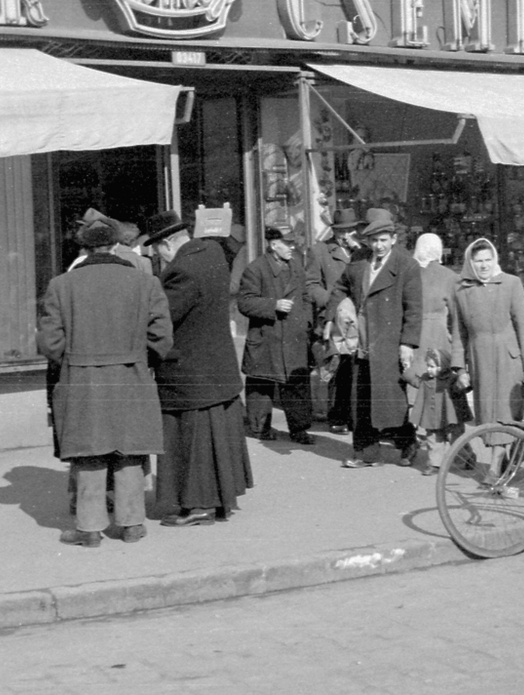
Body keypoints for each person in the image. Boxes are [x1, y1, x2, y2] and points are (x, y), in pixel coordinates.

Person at [38, 214, 174, 547]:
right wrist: (141, 361)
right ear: (115, 245)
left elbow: (50, 343)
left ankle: (89, 529)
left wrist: (74, 362)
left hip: (82, 379)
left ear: (83, 249)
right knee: (129, 450)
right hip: (131, 377)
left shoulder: (61, 285)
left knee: (89, 453)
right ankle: (131, 525)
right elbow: (162, 337)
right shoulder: (146, 283)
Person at [147, 209, 253, 527]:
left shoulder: (183, 270)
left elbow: (163, 317)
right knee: (215, 439)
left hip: (189, 371)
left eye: (157, 250)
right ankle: (219, 500)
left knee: (189, 441)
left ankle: (198, 506)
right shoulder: (212, 253)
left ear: (167, 244)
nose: (158, 257)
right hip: (216, 366)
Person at [327, 208, 422, 468]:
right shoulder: (359, 259)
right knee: (362, 399)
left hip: (389, 342)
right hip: (362, 340)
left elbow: (414, 309)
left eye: (383, 240)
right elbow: (341, 287)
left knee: (390, 400)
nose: (378, 246)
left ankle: (407, 442)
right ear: (367, 241)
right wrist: (331, 317)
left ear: (393, 238)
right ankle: (366, 453)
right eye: (374, 240)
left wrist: (407, 343)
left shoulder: (406, 265)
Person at [452, 238, 524, 450]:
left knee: (507, 412)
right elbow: (458, 332)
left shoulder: (511, 283)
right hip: (479, 359)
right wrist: (460, 369)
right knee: (488, 414)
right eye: (479, 261)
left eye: (488, 260)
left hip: (508, 359)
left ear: (495, 259)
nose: (484, 265)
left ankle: (496, 466)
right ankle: (501, 461)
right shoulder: (461, 290)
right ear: (470, 263)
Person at [237, 225, 316, 445]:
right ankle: (260, 428)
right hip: (267, 336)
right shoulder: (256, 269)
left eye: (293, 243)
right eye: (288, 243)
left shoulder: (297, 267)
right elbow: (244, 302)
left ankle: (299, 429)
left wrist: (306, 322)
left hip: (294, 334)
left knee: (296, 383)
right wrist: (273, 305)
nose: (293, 247)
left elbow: (306, 296)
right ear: (273, 245)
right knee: (261, 384)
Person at [306, 208, 365, 433]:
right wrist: (332, 303)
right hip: (333, 318)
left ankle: (356, 417)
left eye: (350, 230)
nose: (346, 234)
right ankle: (338, 416)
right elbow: (310, 285)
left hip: (359, 318)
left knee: (358, 366)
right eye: (342, 230)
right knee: (339, 367)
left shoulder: (363, 251)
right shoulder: (320, 251)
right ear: (334, 231)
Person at [406, 232, 461, 410]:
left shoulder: (409, 274)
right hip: (439, 336)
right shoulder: (450, 276)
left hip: (415, 334)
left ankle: (419, 428)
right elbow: (455, 315)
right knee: (439, 380)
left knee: (418, 381)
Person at [401, 347, 469, 476]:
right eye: (428, 366)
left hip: (450, 417)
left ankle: (467, 456)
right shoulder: (426, 378)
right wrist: (408, 373)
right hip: (432, 417)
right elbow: (417, 382)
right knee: (433, 440)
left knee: (455, 439)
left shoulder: (452, 379)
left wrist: (463, 383)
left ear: (443, 366)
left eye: (432, 366)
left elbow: (459, 390)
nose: (428, 369)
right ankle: (435, 464)